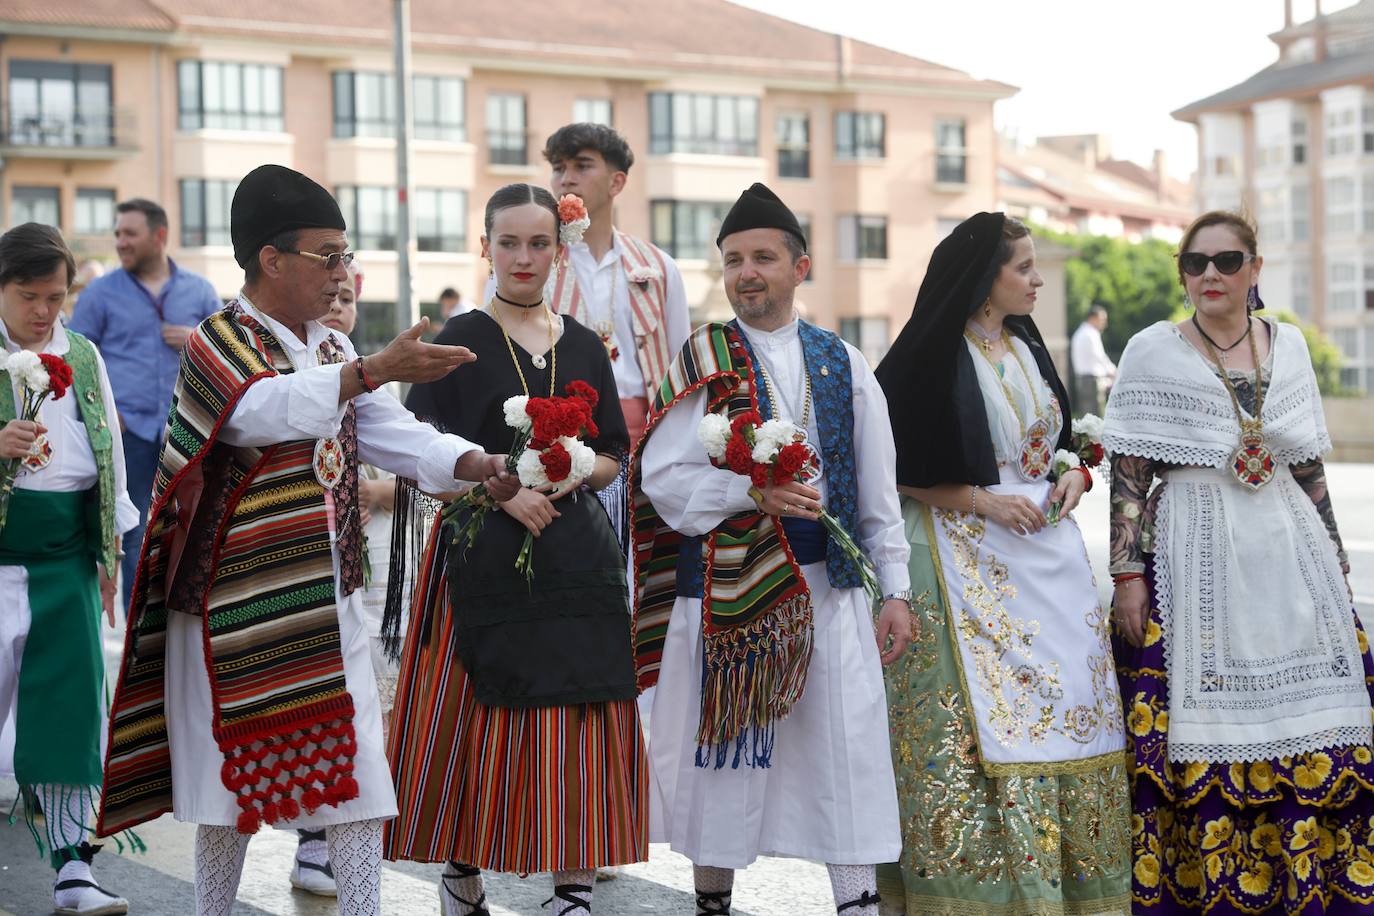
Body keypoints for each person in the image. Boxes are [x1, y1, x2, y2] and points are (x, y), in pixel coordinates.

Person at [95, 164, 519, 916]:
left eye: (345, 255)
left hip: (332, 597)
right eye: (330, 255)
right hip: (236, 609)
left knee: (358, 780)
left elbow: (391, 431)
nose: (343, 272)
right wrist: (369, 370)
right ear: (272, 258)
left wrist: (472, 462)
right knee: (232, 792)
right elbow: (263, 410)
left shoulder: (329, 349)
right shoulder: (217, 341)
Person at [633, 183, 911, 916]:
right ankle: (712, 903)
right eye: (732, 261)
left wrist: (897, 590)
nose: (746, 272)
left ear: (801, 267)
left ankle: (856, 903)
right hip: (729, 588)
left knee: (842, 747)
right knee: (726, 752)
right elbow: (662, 478)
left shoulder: (844, 362)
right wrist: (747, 495)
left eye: (762, 257)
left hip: (831, 585)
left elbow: (880, 494)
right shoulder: (703, 356)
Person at [382, 182, 647, 916]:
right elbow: (421, 449)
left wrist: (567, 471)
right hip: (477, 545)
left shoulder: (587, 343)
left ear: (558, 249)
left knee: (579, 706)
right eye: (509, 242)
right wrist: (500, 487)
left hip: (573, 553)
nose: (523, 257)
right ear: (485, 247)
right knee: (477, 712)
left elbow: (614, 457)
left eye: (538, 243)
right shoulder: (457, 339)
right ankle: (463, 873)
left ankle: (574, 884)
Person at [1108, 211, 1368, 914]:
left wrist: (1337, 562)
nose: (1211, 275)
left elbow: (1309, 465)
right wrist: (1126, 577)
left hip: (1290, 550)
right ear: (1182, 274)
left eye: (1227, 261)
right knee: (1190, 735)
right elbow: (1128, 475)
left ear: (1256, 268)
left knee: (1319, 718)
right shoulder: (1150, 351)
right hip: (1191, 551)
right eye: (1195, 263)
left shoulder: (1289, 347)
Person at [871, 212, 1130, 914]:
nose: (1038, 279)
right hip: (960, 549)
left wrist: (1076, 475)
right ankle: (974, 893)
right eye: (1023, 267)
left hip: (1048, 559)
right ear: (986, 279)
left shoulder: (1026, 346)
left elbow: (1062, 444)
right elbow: (890, 468)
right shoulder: (928, 355)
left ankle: (1070, 888)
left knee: (1072, 710)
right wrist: (982, 501)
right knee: (970, 728)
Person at [0, 224, 138, 915]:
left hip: (65, 561)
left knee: (72, 713)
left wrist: (107, 552)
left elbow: (106, 448)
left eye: (56, 297)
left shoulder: (81, 355)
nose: (44, 312)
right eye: (29, 296)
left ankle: (73, 867)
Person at [69, 198, 224, 609]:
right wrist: (103, 415)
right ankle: (142, 630)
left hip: (187, 433)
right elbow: (73, 359)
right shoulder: (100, 294)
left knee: (197, 526)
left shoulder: (200, 290)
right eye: (118, 233)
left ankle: (187, 622)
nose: (120, 242)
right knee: (135, 529)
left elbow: (229, 355)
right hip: (128, 433)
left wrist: (195, 335)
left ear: (159, 236)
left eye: (129, 234)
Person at [1070, 303, 1116, 417]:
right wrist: (1113, 371)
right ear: (1092, 318)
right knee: (1096, 417)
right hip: (1092, 381)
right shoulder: (1091, 333)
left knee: (1087, 416)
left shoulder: (1080, 332)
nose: (1104, 323)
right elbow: (1099, 356)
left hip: (1083, 380)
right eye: (1102, 319)